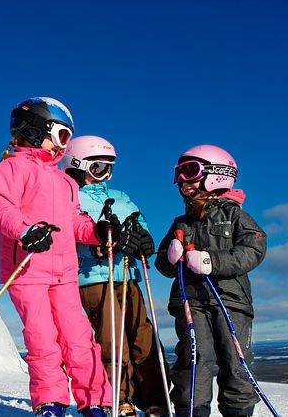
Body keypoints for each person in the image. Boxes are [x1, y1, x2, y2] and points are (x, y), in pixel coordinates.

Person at [0, 97, 114, 417]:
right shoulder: (11, 168)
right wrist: (25, 231)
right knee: (42, 338)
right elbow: (1, 208)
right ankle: (50, 401)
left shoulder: (65, 181)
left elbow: (74, 221)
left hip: (65, 272)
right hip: (27, 268)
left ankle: (95, 401)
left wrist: (97, 231)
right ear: (39, 130)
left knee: (79, 338)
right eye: (62, 136)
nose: (64, 146)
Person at [61, 136, 170, 417]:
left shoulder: (120, 197)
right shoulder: (67, 197)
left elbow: (140, 223)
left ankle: (154, 398)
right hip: (94, 277)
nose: (105, 176)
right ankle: (118, 398)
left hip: (128, 274)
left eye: (110, 168)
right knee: (112, 338)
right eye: (98, 168)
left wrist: (142, 240)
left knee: (142, 336)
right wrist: (99, 244)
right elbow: (69, 239)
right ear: (77, 164)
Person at [154, 144, 266, 417]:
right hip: (190, 301)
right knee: (194, 359)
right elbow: (162, 265)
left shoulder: (234, 216)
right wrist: (169, 257)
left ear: (217, 175)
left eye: (189, 172)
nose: (182, 181)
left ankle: (238, 411)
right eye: (179, 174)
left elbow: (254, 248)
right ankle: (192, 410)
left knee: (235, 360)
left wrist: (212, 262)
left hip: (230, 299)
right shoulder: (181, 223)